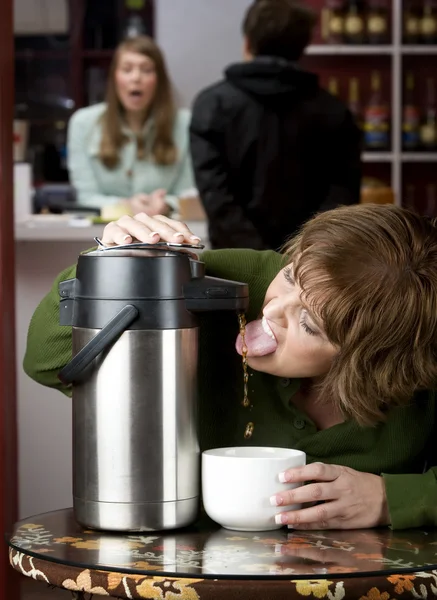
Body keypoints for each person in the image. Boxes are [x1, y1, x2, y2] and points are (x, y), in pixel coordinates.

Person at [23, 204, 437, 531]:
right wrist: (113, 267)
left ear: (371, 360)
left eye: (309, 324)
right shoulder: (232, 281)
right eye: (291, 276)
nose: (271, 309)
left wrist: (390, 498)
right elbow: (47, 360)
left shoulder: (419, 362)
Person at [190, 0, 362, 250]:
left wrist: (257, 257)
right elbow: (341, 197)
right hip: (310, 264)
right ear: (302, 48)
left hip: (237, 264)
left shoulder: (212, 105)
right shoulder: (334, 110)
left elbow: (217, 198)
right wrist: (302, 252)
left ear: (247, 43)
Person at [67, 35, 194, 217]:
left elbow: (189, 195)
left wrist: (166, 204)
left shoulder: (185, 124)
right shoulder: (83, 123)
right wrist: (126, 206)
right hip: (105, 234)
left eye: (146, 70)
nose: (136, 78)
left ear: (159, 80)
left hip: (165, 232)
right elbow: (86, 197)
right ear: (115, 78)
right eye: (127, 70)